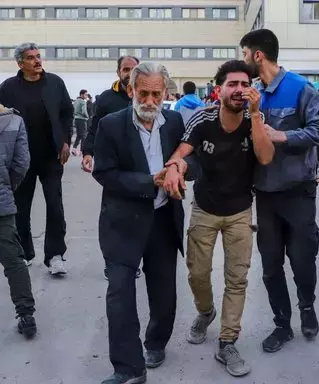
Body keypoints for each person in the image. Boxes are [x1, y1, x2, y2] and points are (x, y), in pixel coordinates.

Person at [162, 60, 275, 378]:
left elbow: (265, 157)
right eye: (232, 84)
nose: (239, 90)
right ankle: (205, 312)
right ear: (219, 90)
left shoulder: (255, 119)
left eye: (245, 84)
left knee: (237, 279)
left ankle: (227, 342)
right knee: (197, 273)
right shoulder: (203, 117)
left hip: (240, 211)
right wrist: (175, 166)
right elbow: (182, 151)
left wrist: (255, 115)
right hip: (205, 208)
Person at [92, 62, 186, 384]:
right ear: (131, 90)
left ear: (165, 93)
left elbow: (195, 159)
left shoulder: (174, 122)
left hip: (162, 222)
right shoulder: (111, 124)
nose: (149, 100)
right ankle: (128, 367)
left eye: (155, 93)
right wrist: (150, 181)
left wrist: (178, 167)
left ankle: (156, 343)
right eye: (142, 92)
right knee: (119, 294)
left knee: (163, 292)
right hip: (122, 222)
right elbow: (104, 172)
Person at [239, 28, 319, 352]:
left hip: (298, 192)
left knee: (303, 260)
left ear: (257, 55)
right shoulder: (252, 93)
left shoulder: (301, 88)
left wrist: (283, 137)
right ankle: (282, 324)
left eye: (244, 53)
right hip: (265, 195)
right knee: (271, 264)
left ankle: (307, 305)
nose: (243, 59)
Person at [0, 42, 73, 274]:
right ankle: (24, 253)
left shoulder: (55, 83)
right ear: (20, 63)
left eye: (39, 56)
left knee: (55, 205)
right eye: (31, 58)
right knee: (20, 207)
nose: (38, 61)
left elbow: (66, 113)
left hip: (50, 156)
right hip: (20, 159)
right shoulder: (8, 88)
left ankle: (55, 256)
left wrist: (65, 141)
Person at [0, 104, 37, 339]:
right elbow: (22, 163)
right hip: (2, 202)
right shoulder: (14, 122)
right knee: (14, 259)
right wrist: (6, 187)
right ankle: (26, 314)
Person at [81, 55, 140, 173]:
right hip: (113, 163)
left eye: (134, 70)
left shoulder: (145, 97)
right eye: (126, 69)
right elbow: (94, 128)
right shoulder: (106, 98)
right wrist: (88, 152)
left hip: (141, 161)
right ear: (118, 72)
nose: (130, 73)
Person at [72, 89, 89, 156]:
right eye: (85, 94)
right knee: (83, 136)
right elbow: (84, 111)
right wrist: (87, 116)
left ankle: (74, 149)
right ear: (82, 94)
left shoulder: (76, 101)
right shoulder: (83, 102)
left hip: (76, 119)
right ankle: (82, 151)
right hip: (82, 119)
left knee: (79, 135)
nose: (86, 95)